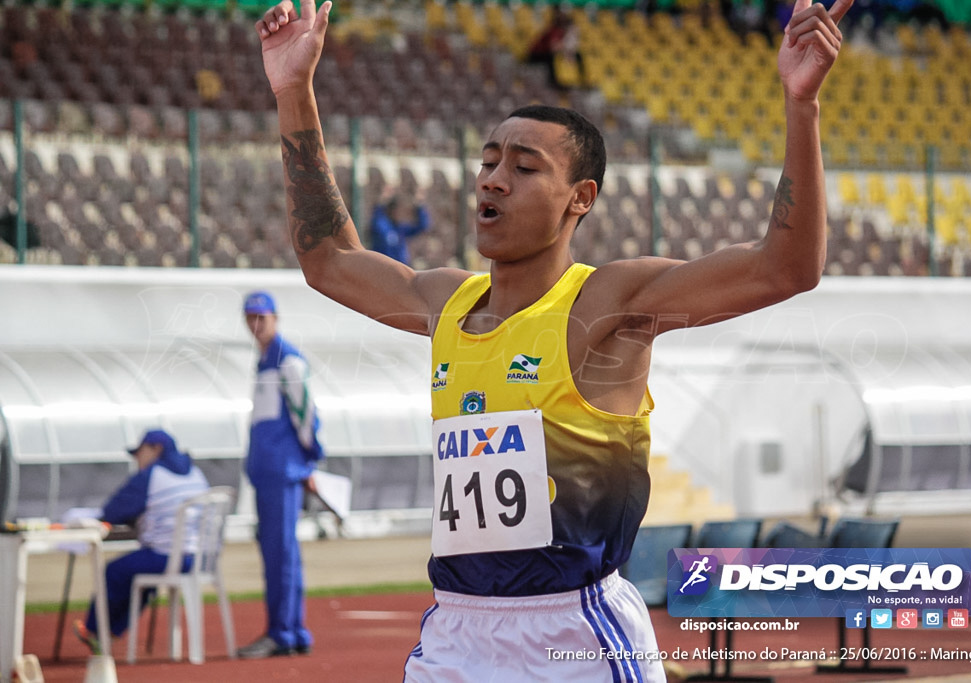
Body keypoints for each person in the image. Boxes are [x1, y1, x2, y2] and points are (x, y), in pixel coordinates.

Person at [255, 0, 852, 678]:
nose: (494, 177)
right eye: (487, 161)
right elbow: (328, 261)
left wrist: (801, 106)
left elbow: (786, 267)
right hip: (454, 630)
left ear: (580, 197)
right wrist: (293, 90)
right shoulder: (444, 302)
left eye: (524, 166)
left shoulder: (606, 305)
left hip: (575, 636)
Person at [236, 290, 324, 659]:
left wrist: (309, 457)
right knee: (281, 553)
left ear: (275, 318)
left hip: (281, 471)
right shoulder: (265, 363)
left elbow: (304, 413)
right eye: (250, 317)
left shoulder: (286, 362)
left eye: (262, 317)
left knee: (280, 554)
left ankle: (283, 632)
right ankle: (291, 631)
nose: (256, 325)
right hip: (272, 471)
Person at [73, 429, 209, 653]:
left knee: (114, 571)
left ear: (156, 449)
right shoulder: (196, 472)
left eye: (139, 452)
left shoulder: (152, 475)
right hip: (198, 558)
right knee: (140, 578)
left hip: (166, 556)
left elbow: (113, 511)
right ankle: (111, 631)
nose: (137, 459)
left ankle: (95, 629)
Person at [369, 184, 430, 265]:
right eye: (397, 210)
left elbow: (423, 226)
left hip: (400, 269)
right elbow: (377, 221)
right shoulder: (383, 225)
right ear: (391, 211)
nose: (400, 213)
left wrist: (419, 205)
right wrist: (382, 201)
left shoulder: (402, 229)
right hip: (383, 269)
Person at [525, 9, 585, 91]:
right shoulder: (555, 31)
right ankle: (553, 81)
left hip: (544, 52)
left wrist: (568, 52)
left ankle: (582, 79)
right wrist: (566, 50)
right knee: (551, 58)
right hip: (535, 55)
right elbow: (553, 48)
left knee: (578, 55)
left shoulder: (561, 32)